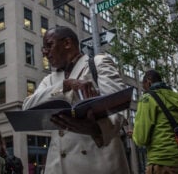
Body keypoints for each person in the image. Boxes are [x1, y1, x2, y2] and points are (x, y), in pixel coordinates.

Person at [23, 26, 130, 174]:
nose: (44, 52)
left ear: (67, 43)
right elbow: (27, 106)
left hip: (97, 164)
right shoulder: (50, 79)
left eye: (49, 45)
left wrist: (97, 129)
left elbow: (119, 108)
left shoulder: (98, 63)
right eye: (43, 48)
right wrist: (65, 85)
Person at [132, 70, 178, 174]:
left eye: (144, 85)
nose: (144, 89)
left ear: (149, 82)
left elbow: (141, 139)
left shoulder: (147, 99)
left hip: (161, 162)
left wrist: (134, 135)